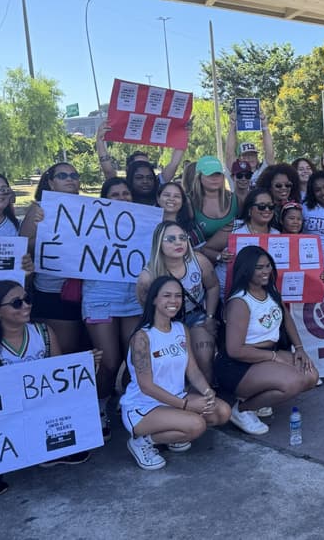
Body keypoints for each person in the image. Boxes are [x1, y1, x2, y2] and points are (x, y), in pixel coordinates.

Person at [0, 280, 94, 496]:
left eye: (28, 299)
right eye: (17, 303)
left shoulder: (43, 333)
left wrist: (88, 366)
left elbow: (60, 379)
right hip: (4, 413)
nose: (26, 306)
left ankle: (53, 449)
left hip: (39, 407)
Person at [121, 275, 230, 470]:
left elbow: (193, 370)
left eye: (178, 296)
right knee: (197, 425)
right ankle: (143, 441)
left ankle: (174, 432)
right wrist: (185, 405)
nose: (173, 301)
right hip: (144, 407)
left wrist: (207, 391)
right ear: (154, 299)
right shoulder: (142, 337)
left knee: (221, 412)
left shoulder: (180, 329)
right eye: (167, 296)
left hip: (177, 398)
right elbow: (146, 387)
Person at [215, 246, 318, 435]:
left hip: (266, 354)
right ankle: (242, 409)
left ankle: (260, 399)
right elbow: (235, 350)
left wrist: (300, 348)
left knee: (311, 376)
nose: (265, 271)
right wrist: (273, 357)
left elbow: (287, 319)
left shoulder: (269, 290)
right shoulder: (240, 301)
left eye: (268, 266)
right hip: (238, 363)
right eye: (259, 268)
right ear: (246, 270)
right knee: (293, 382)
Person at [83, 177, 144, 441]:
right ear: (105, 199)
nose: (122, 197)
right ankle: (98, 407)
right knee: (107, 362)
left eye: (126, 193)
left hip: (132, 298)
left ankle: (130, 402)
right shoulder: (89, 224)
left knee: (135, 357)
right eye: (115, 194)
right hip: (99, 297)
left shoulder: (143, 223)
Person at [137, 222, 220, 384]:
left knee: (204, 358)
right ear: (159, 243)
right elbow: (147, 309)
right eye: (171, 239)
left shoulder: (199, 261)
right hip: (167, 322)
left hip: (195, 316)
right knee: (172, 366)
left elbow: (213, 286)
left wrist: (210, 317)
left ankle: (207, 401)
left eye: (183, 238)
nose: (178, 242)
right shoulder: (147, 277)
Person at [19, 162, 84, 354]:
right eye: (63, 176)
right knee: (63, 349)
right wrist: (43, 229)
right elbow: (23, 245)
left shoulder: (89, 209)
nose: (70, 179)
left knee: (82, 346)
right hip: (53, 289)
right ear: (51, 182)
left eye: (74, 175)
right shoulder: (40, 209)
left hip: (85, 290)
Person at [95, 120, 184, 185]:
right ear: (128, 168)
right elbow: (108, 171)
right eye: (138, 164)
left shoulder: (157, 184)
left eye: (146, 164)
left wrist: (182, 135)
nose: (143, 168)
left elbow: (174, 164)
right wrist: (99, 140)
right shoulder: (122, 188)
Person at [188, 156, 238, 246]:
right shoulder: (189, 201)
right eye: (209, 174)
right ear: (199, 177)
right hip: (202, 255)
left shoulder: (235, 199)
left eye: (218, 174)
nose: (215, 178)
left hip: (232, 254)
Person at [224, 109, 275, 188]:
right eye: (245, 156)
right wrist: (232, 126)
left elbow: (270, 153)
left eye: (253, 155)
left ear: (257, 157)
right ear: (239, 158)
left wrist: (265, 126)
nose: (250, 158)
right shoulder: (235, 172)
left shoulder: (263, 171)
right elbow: (229, 154)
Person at [257, 163, 302, 229]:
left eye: (288, 185)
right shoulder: (260, 207)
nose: (284, 188)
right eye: (278, 185)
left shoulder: (294, 206)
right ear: (269, 186)